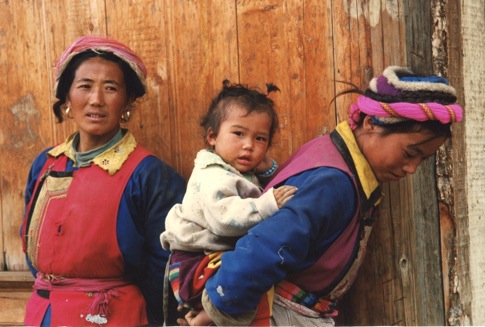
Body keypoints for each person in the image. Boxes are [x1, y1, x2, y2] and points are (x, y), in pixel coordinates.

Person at [181, 66, 464, 326]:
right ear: (371, 124)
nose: (412, 168)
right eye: (410, 153)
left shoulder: (329, 154)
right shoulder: (333, 182)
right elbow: (267, 246)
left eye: (422, 160)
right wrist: (215, 310)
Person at [20, 35, 186, 326]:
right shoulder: (45, 165)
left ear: (127, 101)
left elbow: (165, 269)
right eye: (85, 86)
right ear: (68, 97)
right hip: (43, 315)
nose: (96, 99)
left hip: (114, 316)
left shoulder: (150, 176)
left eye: (110, 88)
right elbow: (29, 240)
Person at [160, 80, 298, 326]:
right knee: (250, 277)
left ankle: (202, 315)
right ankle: (203, 318)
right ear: (212, 136)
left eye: (260, 139)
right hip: (195, 262)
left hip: (208, 260)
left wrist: (268, 170)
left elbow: (250, 191)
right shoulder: (213, 174)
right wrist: (268, 204)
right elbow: (226, 220)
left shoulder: (234, 170)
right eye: (239, 133)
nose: (249, 145)